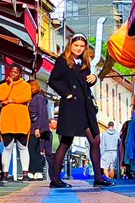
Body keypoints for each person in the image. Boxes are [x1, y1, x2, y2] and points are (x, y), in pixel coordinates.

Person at [48, 34, 111, 189]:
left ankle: (98, 177)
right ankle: (55, 179)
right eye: (76, 45)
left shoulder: (84, 63)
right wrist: (67, 94)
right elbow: (53, 80)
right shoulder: (63, 61)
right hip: (71, 107)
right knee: (66, 141)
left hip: (85, 107)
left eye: (82, 46)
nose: (78, 48)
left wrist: (94, 78)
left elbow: (85, 83)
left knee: (95, 140)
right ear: (70, 45)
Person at [0, 64, 32, 180]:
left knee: (23, 147)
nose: (13, 74)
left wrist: (11, 100)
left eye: (15, 72)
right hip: (7, 121)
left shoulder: (26, 85)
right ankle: (5, 173)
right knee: (7, 148)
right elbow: (1, 97)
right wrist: (10, 85)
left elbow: (27, 96)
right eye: (11, 72)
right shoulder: (3, 85)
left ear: (20, 73)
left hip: (21, 121)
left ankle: (25, 173)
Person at [28, 79, 53, 180]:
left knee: (33, 149)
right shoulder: (40, 97)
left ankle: (35, 171)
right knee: (37, 149)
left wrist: (37, 128)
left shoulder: (38, 97)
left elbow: (41, 113)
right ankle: (36, 171)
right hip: (40, 127)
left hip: (38, 127)